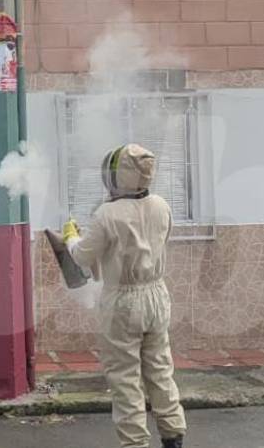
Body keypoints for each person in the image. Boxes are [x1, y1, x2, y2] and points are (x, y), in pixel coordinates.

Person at [62, 144, 187, 448]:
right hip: (157, 295)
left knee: (125, 378)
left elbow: (82, 256)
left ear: (119, 176)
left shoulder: (107, 214)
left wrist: (71, 237)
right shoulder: (161, 205)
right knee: (160, 369)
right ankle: (173, 436)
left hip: (122, 302)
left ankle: (135, 444)